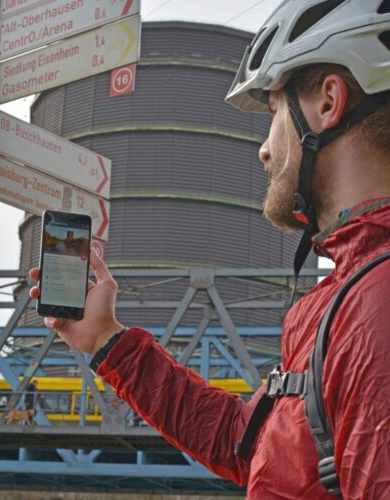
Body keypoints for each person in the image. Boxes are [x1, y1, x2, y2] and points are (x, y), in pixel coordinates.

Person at [29, 1, 390, 497]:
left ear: (328, 102)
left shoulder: (378, 306)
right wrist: (107, 340)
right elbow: (242, 443)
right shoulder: (349, 293)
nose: (264, 149)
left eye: (272, 115)